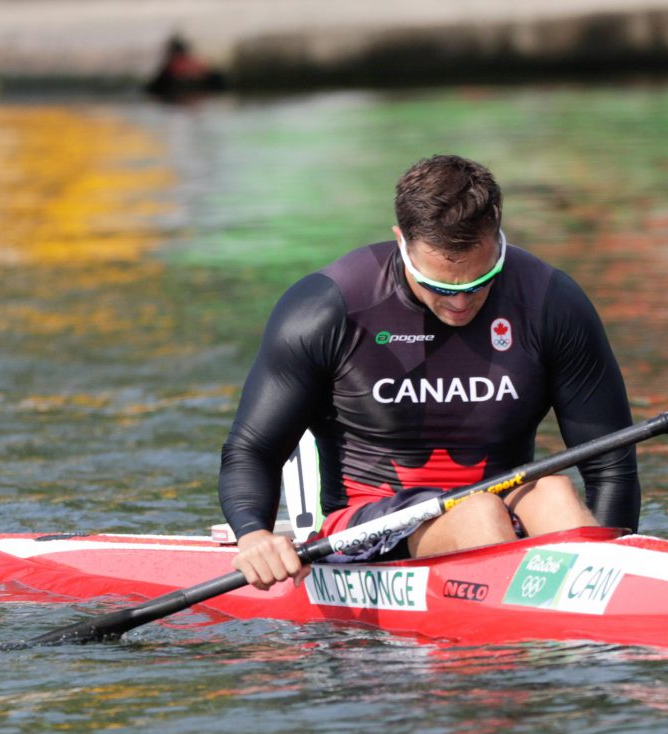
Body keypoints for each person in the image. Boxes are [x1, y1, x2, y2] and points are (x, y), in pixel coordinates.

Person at [219, 155, 639, 589]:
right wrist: (255, 537)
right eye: (440, 285)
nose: (460, 302)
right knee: (477, 511)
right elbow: (252, 450)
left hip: (502, 506)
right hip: (365, 528)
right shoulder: (327, 309)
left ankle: (602, 633)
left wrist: (622, 579)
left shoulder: (551, 302)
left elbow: (611, 464)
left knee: (553, 491)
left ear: (498, 240)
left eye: (480, 280)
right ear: (401, 241)